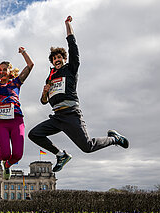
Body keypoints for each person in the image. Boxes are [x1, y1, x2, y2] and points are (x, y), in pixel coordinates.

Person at [28, 16, 129, 173]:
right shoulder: (49, 77)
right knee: (34, 134)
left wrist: (68, 25)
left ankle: (114, 138)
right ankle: (61, 155)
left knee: (87, 147)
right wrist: (44, 92)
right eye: (54, 58)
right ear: (52, 61)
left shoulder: (70, 69)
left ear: (64, 58)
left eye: (59, 57)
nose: (57, 60)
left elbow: (73, 47)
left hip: (71, 114)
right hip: (57, 117)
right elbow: (43, 101)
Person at [0, 47, 34, 180]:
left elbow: (30, 65)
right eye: (0, 69)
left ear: (9, 71)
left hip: (17, 119)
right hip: (1, 121)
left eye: (4, 69)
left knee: (18, 154)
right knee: (5, 153)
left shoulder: (16, 82)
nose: (2, 71)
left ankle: (7, 166)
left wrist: (24, 52)